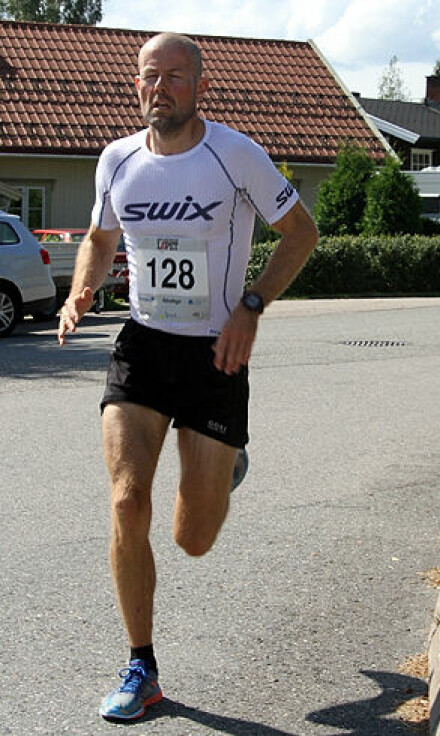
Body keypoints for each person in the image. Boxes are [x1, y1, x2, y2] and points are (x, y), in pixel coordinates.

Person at [57, 32, 319, 721]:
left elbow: (302, 233)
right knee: (124, 500)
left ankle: (226, 464)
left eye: (176, 76)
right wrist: (80, 292)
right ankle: (141, 665)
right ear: (136, 85)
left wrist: (251, 307)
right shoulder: (116, 161)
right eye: (152, 76)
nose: (162, 87)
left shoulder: (234, 155)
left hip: (214, 355)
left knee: (191, 540)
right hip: (143, 347)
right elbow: (100, 237)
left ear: (201, 86)